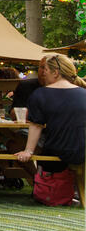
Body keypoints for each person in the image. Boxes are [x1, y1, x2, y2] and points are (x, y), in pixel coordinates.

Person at [15, 54, 86, 200]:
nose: (43, 73)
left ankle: (49, 189)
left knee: (43, 151)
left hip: (58, 150)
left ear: (55, 72)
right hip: (82, 149)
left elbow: (36, 125)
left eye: (46, 69)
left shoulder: (41, 94)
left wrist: (28, 151)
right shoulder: (83, 93)